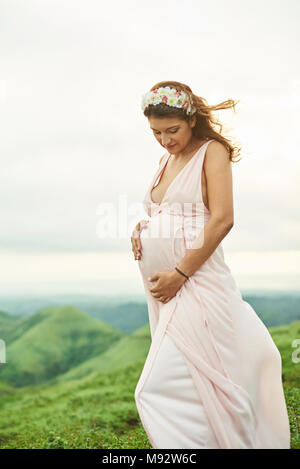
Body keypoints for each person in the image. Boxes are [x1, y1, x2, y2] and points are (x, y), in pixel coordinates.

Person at [131, 80, 290, 449]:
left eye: (172, 131)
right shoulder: (164, 161)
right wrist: (143, 227)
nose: (165, 140)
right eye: (156, 133)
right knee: (195, 381)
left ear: (190, 120)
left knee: (154, 389)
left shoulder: (211, 151)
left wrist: (179, 273)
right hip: (165, 292)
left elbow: (221, 219)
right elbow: (167, 211)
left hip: (194, 283)